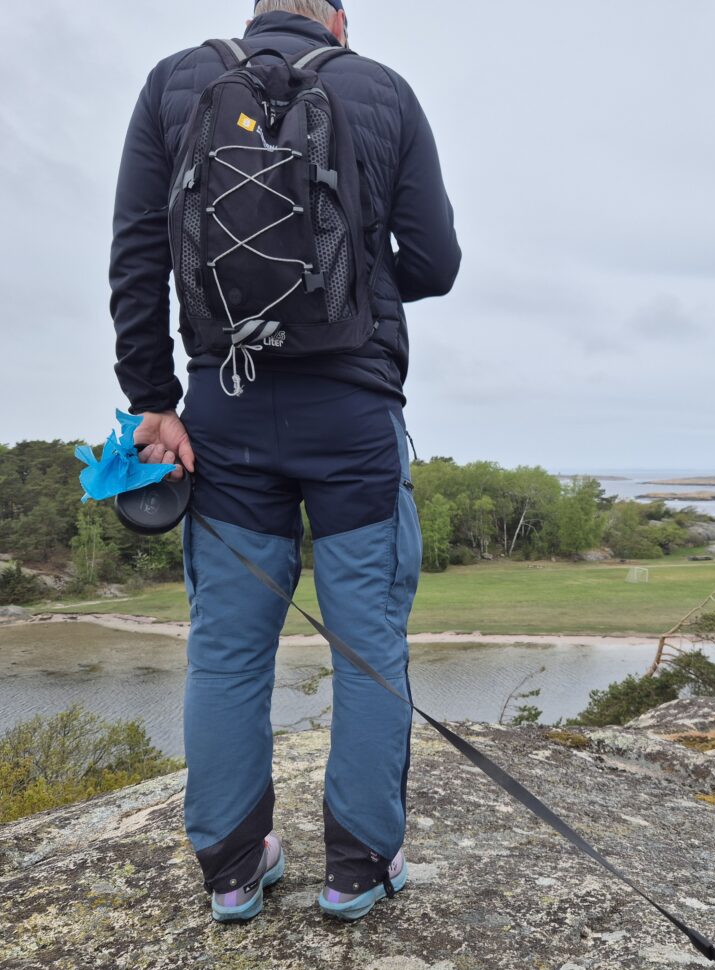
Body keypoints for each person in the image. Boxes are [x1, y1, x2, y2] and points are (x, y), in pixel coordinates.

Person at [109, 0, 460, 922]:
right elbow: (435, 262)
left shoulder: (175, 82)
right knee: (368, 647)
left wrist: (153, 401)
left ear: (258, 9)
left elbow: (139, 252)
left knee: (226, 654)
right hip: (351, 412)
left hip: (221, 406)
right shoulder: (382, 89)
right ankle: (359, 869)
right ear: (340, 22)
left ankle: (232, 870)